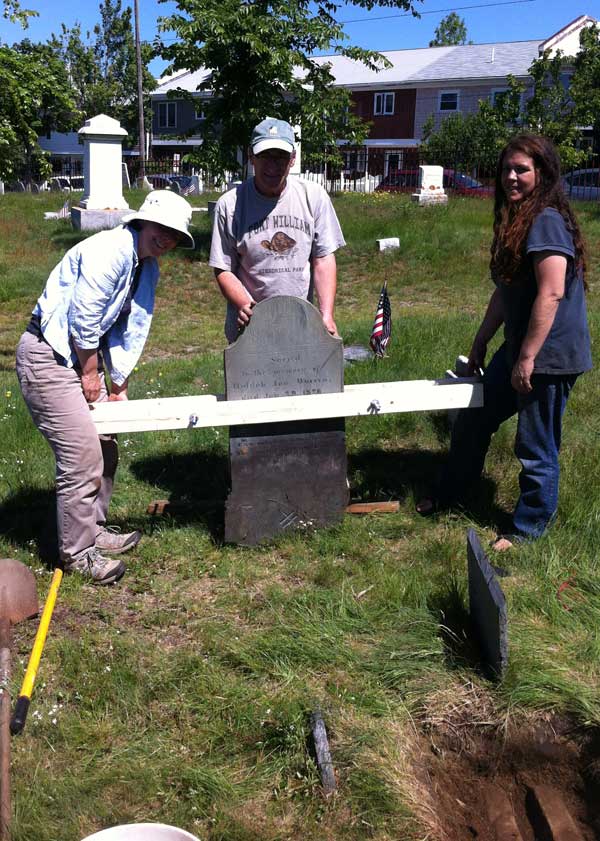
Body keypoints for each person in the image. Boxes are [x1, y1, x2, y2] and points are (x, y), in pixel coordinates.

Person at [417, 134, 592, 550]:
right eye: (506, 169)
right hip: (520, 348)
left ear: (542, 174)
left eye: (522, 170)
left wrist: (527, 358)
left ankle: (528, 529)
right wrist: (480, 344)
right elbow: (505, 292)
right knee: (475, 418)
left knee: (535, 445)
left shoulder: (546, 218)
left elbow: (551, 292)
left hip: (548, 355)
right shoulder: (517, 219)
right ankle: (453, 492)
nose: (511, 177)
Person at [16, 190, 195, 584]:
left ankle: (92, 530)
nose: (166, 239)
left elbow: (132, 328)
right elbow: (85, 316)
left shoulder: (145, 266)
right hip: (48, 357)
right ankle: (77, 554)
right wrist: (90, 373)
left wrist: (119, 385)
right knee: (82, 456)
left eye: (175, 235)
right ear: (143, 221)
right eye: (161, 229)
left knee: (104, 446)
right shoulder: (111, 250)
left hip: (76, 357)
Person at [209, 116, 345, 342]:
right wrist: (243, 303)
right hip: (250, 325)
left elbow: (323, 259)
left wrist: (326, 314)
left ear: (292, 159)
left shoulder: (313, 197)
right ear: (251, 157)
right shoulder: (230, 205)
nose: (272, 166)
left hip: (301, 321)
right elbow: (223, 268)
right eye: (264, 156)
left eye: (280, 156)